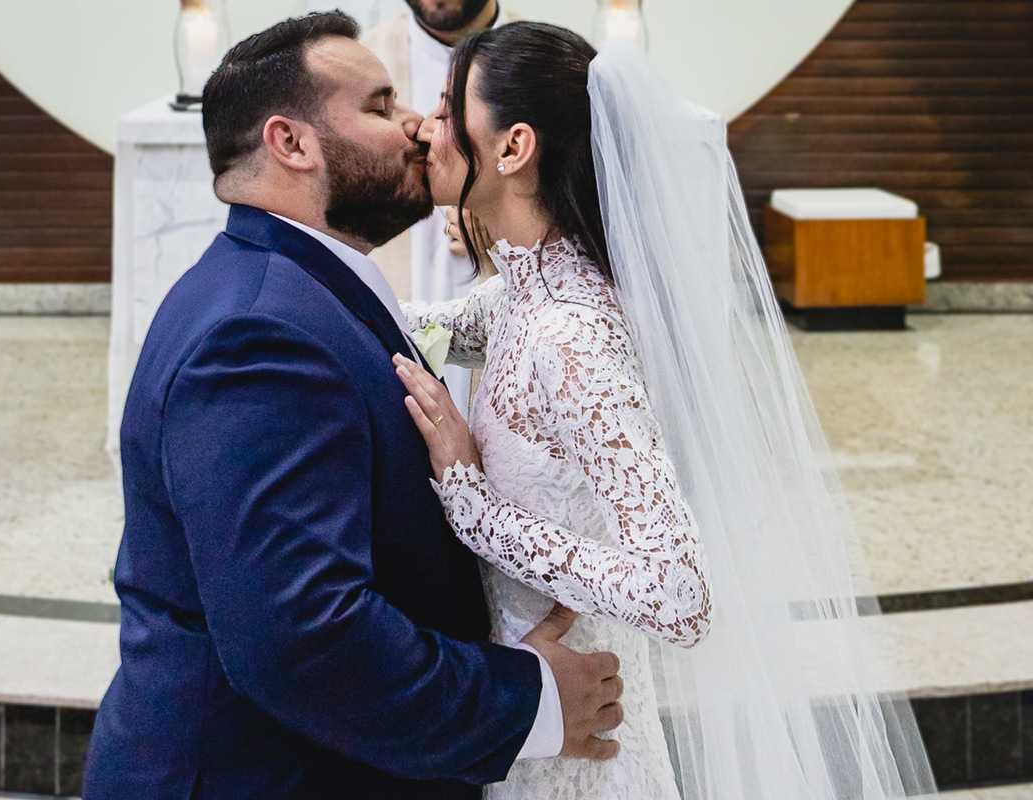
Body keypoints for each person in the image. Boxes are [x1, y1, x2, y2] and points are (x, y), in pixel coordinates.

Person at [82, 12, 626, 800]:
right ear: (291, 143)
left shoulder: (292, 290)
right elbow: (307, 640)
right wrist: (532, 701)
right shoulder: (257, 336)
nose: (416, 125)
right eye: (379, 106)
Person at [396, 21, 936, 800]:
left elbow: (679, 595)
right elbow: (431, 326)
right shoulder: (526, 285)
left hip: (583, 753)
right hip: (528, 717)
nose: (427, 126)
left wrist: (476, 508)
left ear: (514, 148)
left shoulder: (574, 340)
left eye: (449, 110)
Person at [362, 0, 516, 415]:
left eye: (445, 112)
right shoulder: (365, 60)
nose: (425, 128)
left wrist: (495, 207)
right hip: (416, 293)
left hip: (509, 305)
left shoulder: (539, 60)